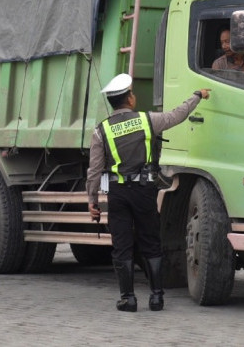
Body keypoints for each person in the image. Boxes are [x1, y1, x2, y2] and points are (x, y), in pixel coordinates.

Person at [87, 73, 210, 312]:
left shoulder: (101, 131)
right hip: (144, 191)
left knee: (121, 246)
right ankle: (156, 297)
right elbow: (178, 115)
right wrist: (197, 95)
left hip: (118, 193)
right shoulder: (147, 120)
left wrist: (91, 200)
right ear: (130, 99)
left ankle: (128, 299)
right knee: (151, 242)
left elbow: (94, 170)